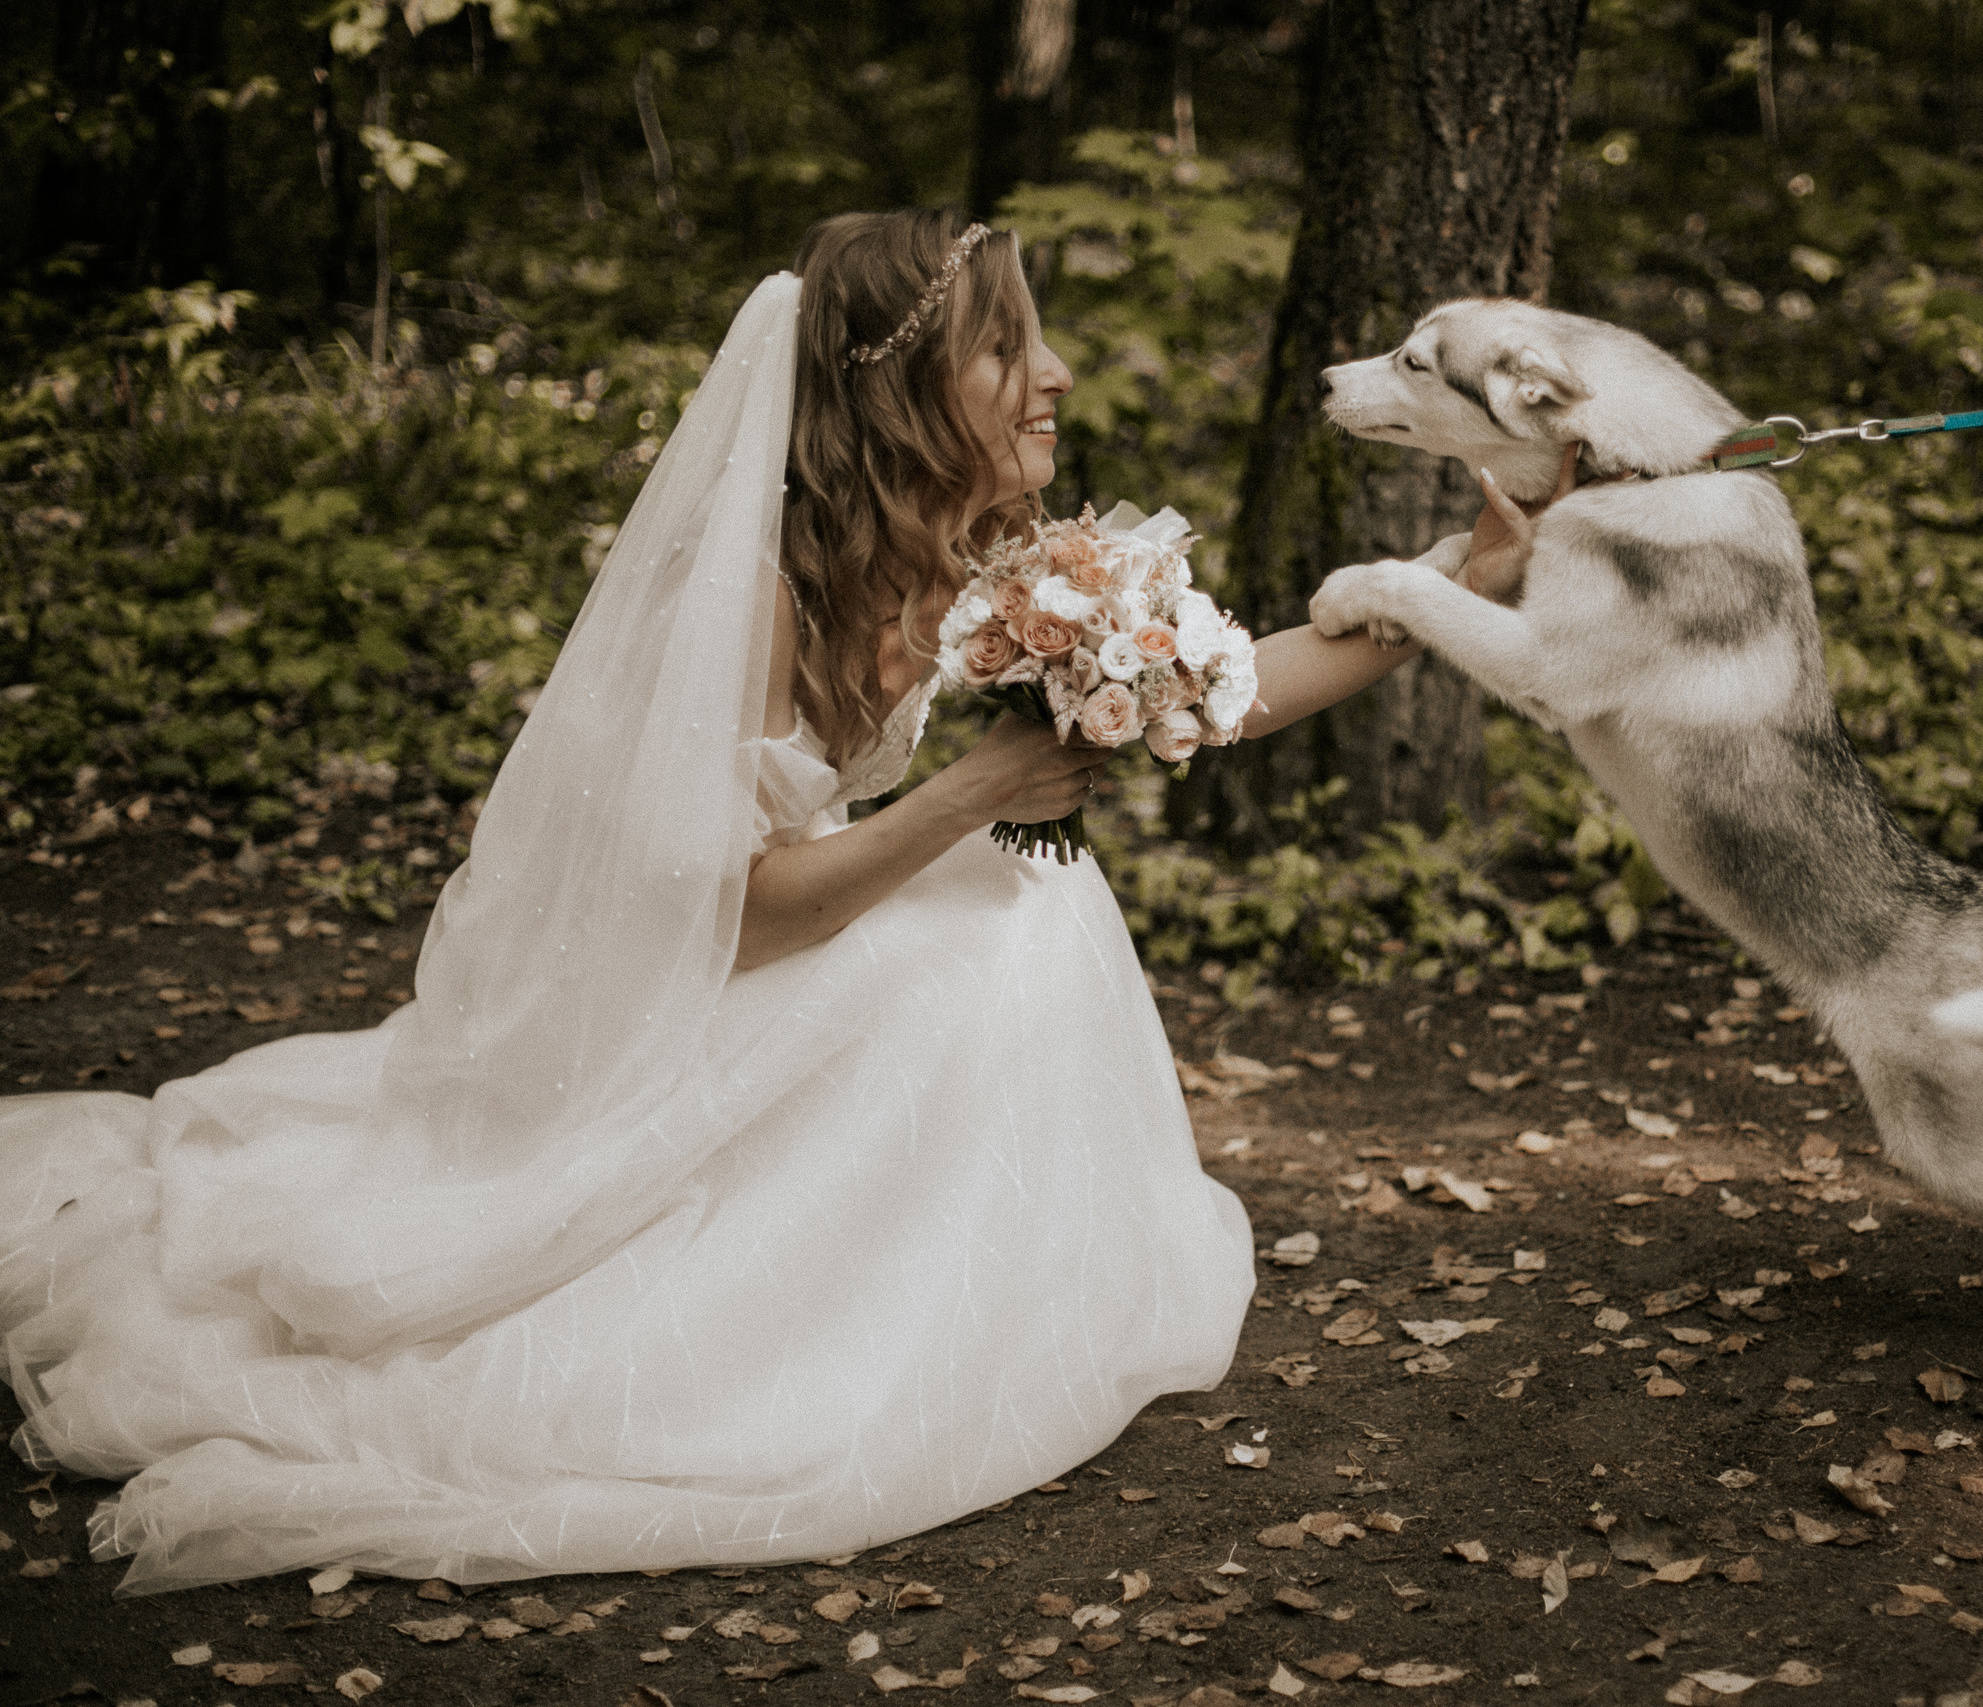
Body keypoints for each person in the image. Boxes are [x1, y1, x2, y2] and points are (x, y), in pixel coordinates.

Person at [0, 208, 1540, 1597]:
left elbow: (1219, 690)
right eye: (1012, 345)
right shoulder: (758, 596)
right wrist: (972, 792)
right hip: (651, 987)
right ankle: (829, 1327)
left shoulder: (986, 558)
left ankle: (956, 1287)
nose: (1057, 372)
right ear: (908, 391)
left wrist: (1447, 584)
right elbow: (733, 919)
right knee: (999, 907)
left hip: (784, 916)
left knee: (1021, 906)